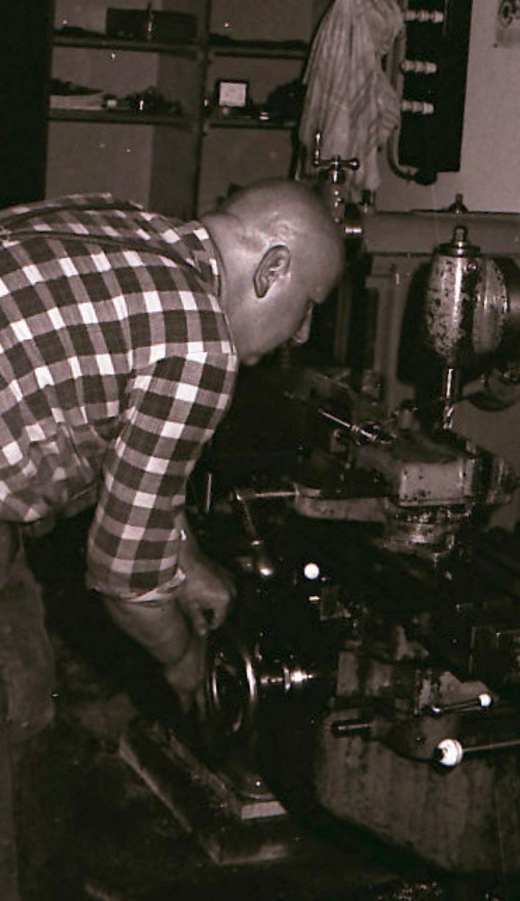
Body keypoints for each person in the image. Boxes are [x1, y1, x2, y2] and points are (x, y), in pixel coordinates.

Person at [0, 180, 344, 898]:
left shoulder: (121, 221)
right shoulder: (200, 344)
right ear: (273, 269)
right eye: (307, 304)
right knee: (14, 707)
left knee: (24, 679)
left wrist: (183, 557)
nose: (302, 335)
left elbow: (99, 429)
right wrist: (187, 666)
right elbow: (124, 577)